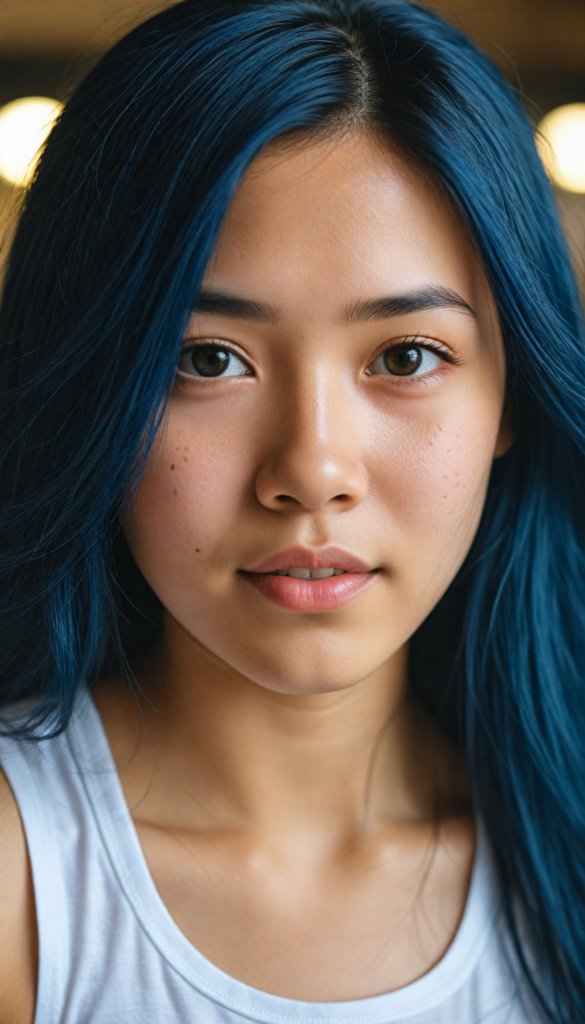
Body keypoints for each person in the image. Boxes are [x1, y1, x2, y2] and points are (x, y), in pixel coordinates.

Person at [0, 1, 583, 1021]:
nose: (312, 469)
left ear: (511, 396)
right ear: (98, 383)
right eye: (207, 359)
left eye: (406, 357)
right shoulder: (24, 883)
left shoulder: (562, 850)